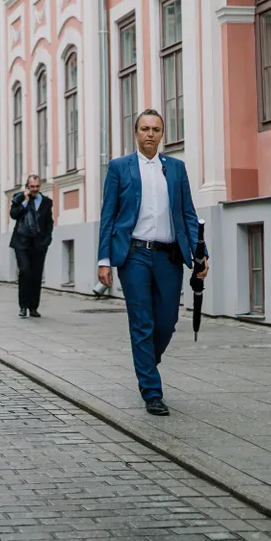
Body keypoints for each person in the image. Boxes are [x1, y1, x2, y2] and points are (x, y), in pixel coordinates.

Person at [97, 109, 206, 415]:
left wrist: (201, 253)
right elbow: (109, 215)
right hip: (134, 255)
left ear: (162, 134)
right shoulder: (120, 168)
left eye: (156, 129)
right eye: (144, 128)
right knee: (142, 322)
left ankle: (145, 362)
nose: (150, 134)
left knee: (167, 322)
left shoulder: (175, 168)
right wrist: (104, 258)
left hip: (169, 255)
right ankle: (151, 391)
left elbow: (188, 213)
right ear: (136, 132)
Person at [9, 174, 54, 318]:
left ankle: (33, 307)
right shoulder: (19, 198)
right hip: (21, 242)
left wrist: (47, 240)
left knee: (36, 275)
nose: (35, 189)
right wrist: (25, 202)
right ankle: (23, 306)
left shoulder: (46, 202)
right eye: (32, 186)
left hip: (39, 244)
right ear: (27, 186)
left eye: (37, 186)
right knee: (25, 271)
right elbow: (13, 215)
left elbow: (49, 222)